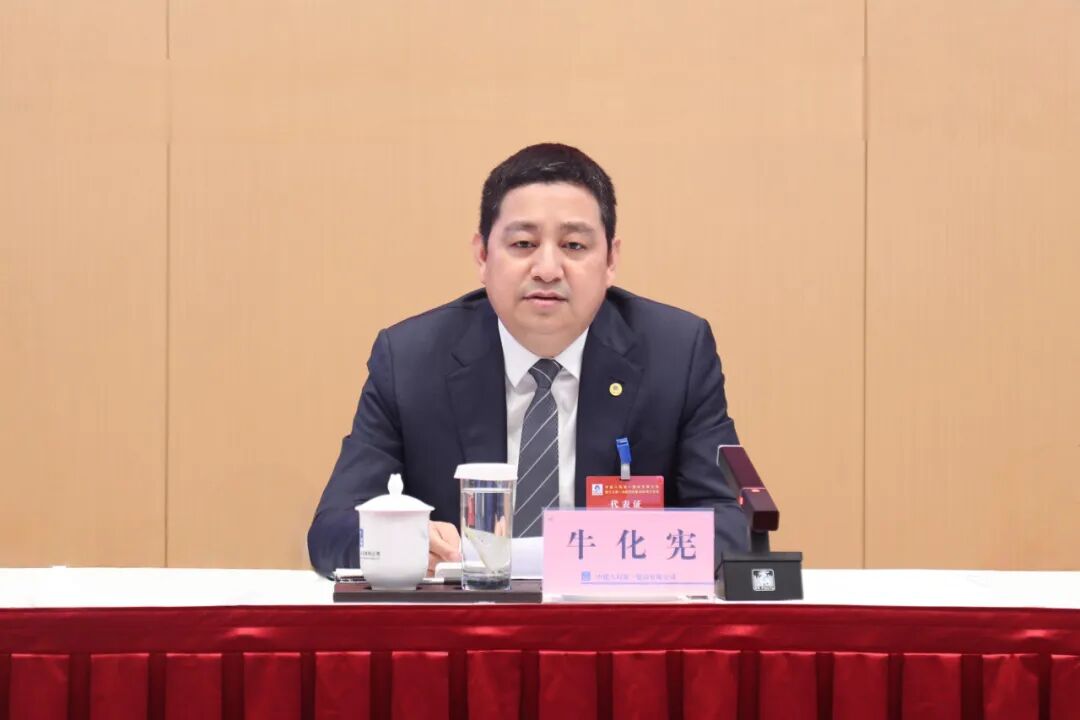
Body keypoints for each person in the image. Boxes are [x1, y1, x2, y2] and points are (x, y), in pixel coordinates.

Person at [308, 143, 749, 577]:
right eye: (523, 243)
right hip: (467, 617)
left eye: (574, 245)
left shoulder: (676, 353)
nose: (548, 269)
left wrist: (620, 552)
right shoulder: (411, 360)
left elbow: (729, 522)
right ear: (483, 255)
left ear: (611, 260)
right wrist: (402, 542)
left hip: (612, 615)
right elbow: (332, 531)